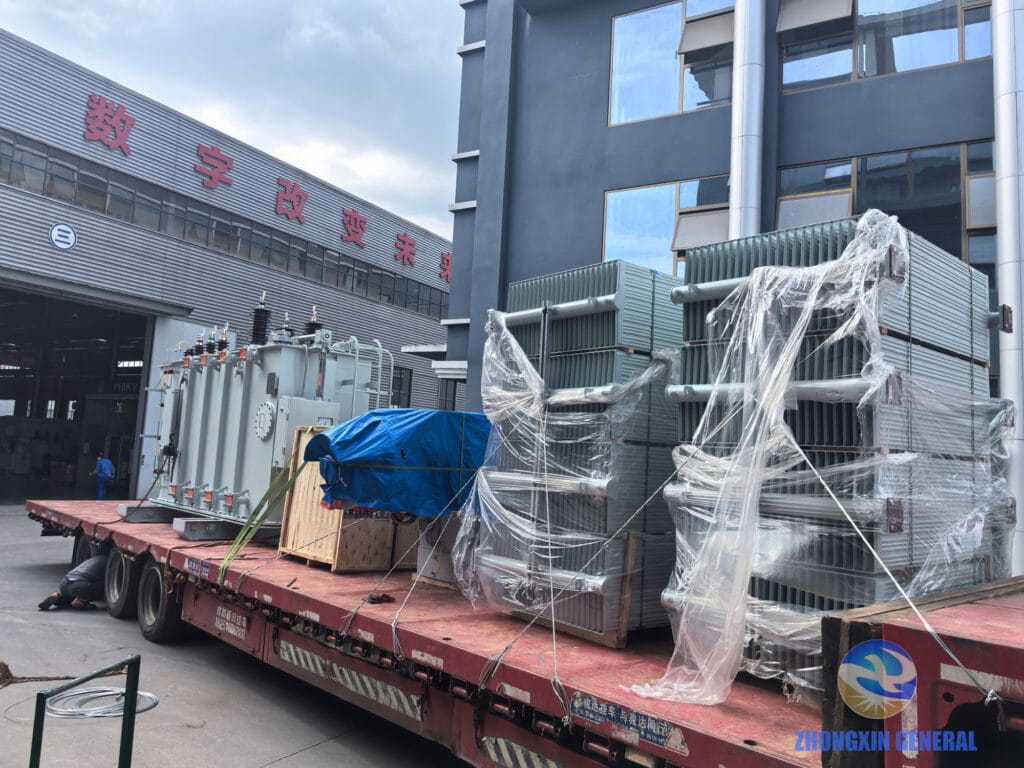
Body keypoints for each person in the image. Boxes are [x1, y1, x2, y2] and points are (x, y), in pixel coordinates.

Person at [38, 554, 108, 610]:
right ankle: (82, 601)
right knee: (106, 586)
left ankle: (57, 596)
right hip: (80, 586)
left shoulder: (96, 558)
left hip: (65, 583)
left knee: (68, 598)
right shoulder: (110, 562)